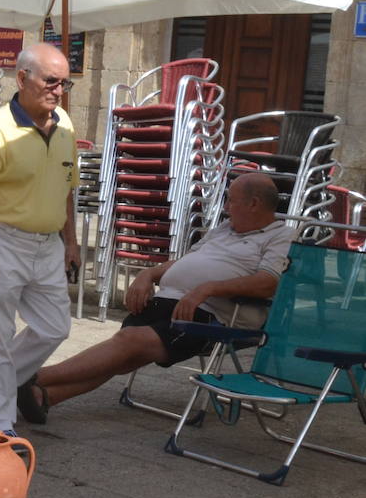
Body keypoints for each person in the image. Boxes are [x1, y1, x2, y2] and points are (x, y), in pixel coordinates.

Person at [20, 172, 291, 423]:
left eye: (231, 200)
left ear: (254, 204)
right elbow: (186, 262)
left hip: (213, 316)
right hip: (173, 302)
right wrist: (148, 274)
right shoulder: (225, 229)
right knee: (124, 353)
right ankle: (44, 396)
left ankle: (25, 378)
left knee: (129, 342)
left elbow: (268, 283)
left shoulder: (282, 236)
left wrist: (207, 289)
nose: (226, 207)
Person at [0, 43, 81, 435]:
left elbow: (67, 187)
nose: (57, 90)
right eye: (50, 80)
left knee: (54, 326)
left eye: (64, 83)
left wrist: (72, 241)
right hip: (2, 240)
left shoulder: (64, 123)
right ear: (22, 79)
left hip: (48, 244)